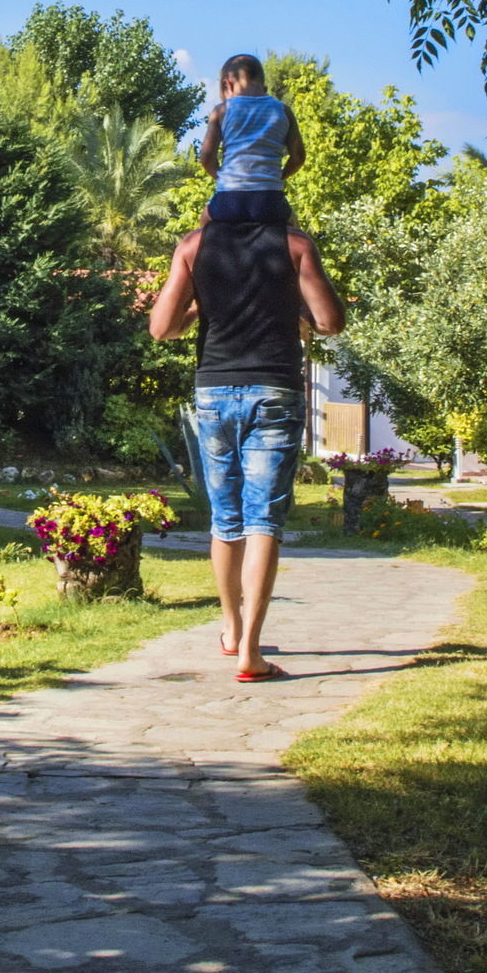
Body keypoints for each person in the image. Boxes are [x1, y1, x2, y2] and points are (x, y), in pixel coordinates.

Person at [149, 210, 345, 679]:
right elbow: (329, 322)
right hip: (274, 391)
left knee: (226, 517)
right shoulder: (294, 244)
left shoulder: (194, 246)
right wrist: (291, 308)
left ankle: (232, 630)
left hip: (215, 393)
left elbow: (162, 329)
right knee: (263, 519)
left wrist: (202, 308)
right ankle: (250, 654)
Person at [199, 53, 305, 225]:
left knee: (199, 232)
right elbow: (298, 157)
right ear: (264, 84)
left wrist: (222, 178)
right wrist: (279, 177)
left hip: (229, 199)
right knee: (297, 231)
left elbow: (206, 158)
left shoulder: (221, 111)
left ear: (227, 84)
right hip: (270, 200)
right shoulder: (283, 111)